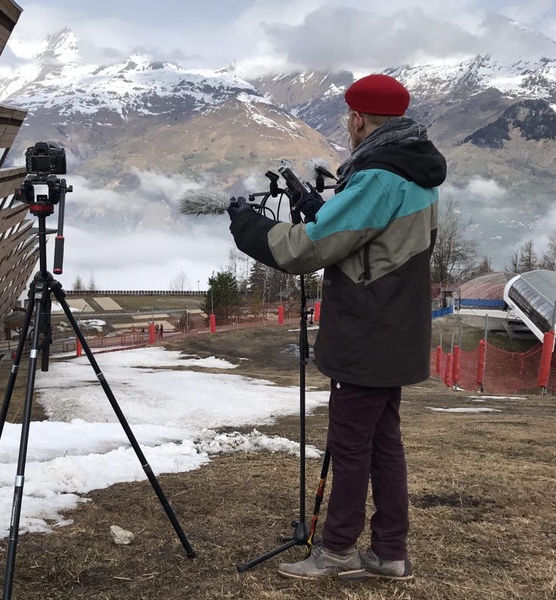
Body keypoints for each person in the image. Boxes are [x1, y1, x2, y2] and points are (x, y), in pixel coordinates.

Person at [228, 74, 446, 581]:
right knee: (382, 444)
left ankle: (339, 550)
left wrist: (250, 228)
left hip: (366, 331)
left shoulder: (380, 176)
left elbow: (307, 249)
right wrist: (321, 212)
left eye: (349, 117)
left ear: (358, 119)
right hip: (395, 327)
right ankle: (390, 551)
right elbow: (376, 245)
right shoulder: (415, 172)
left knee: (350, 447)